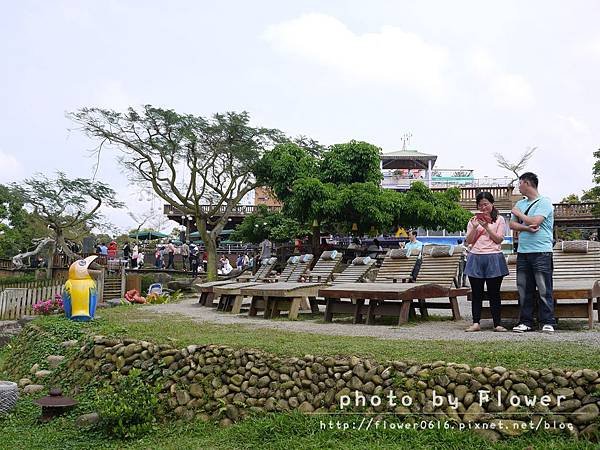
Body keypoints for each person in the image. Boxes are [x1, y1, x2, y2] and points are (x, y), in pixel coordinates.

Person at [509, 172, 556, 333]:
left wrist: (519, 215)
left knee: (544, 288)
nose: (518, 187)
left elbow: (536, 221)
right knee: (524, 288)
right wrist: (526, 227)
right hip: (523, 252)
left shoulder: (545, 202)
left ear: (527, 183)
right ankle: (525, 321)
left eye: (519, 183)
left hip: (542, 252)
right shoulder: (520, 204)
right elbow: (512, 225)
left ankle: (547, 321)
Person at [464, 192, 509, 332]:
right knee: (476, 293)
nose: (483, 207)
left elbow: (499, 239)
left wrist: (487, 227)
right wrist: (476, 226)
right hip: (475, 256)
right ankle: (476, 322)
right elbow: (469, 241)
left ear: (492, 204)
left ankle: (497, 323)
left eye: (486, 204)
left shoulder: (499, 219)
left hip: (494, 257)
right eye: (480, 205)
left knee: (494, 293)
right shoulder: (473, 220)